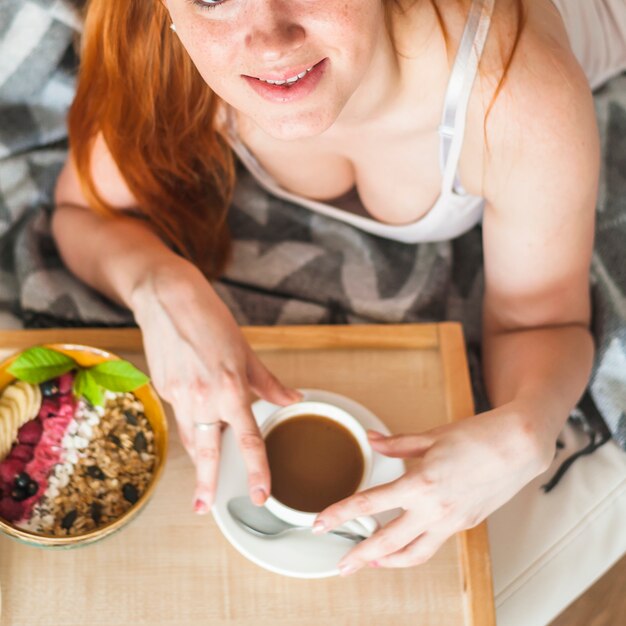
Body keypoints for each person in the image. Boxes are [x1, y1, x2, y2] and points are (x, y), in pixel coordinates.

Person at [52, 0, 626, 576]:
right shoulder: (164, 43)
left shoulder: (515, 90)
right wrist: (161, 284)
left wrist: (531, 426)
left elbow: (541, 322)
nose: (272, 43)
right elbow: (82, 213)